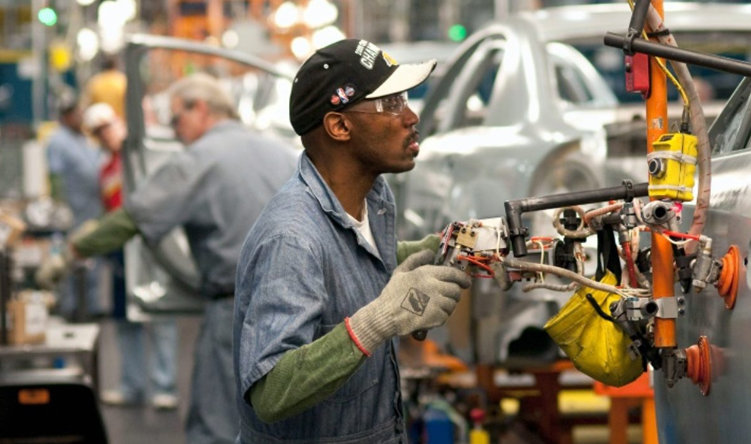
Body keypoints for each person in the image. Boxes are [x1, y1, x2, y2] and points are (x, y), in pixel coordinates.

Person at [233, 39, 471, 443]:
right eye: (391, 103)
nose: (411, 116)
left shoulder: (372, 199)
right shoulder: (291, 239)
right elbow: (270, 392)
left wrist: (445, 248)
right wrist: (377, 320)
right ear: (340, 126)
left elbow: (351, 267)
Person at [44, 74, 298, 443]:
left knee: (215, 426)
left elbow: (134, 218)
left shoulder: (199, 159)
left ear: (201, 109)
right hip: (298, 308)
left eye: (177, 120)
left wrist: (69, 254)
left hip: (237, 311)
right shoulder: (280, 153)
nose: (175, 133)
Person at [82, 103, 180, 410]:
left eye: (108, 126)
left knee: (160, 315)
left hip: (150, 247)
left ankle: (165, 385)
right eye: (99, 132)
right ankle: (132, 384)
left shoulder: (144, 159)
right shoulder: (106, 167)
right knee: (125, 320)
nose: (106, 135)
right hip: (121, 252)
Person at [46, 92, 104, 320]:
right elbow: (55, 176)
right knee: (70, 258)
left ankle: (91, 305)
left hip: (91, 207)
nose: (80, 117)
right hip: (73, 209)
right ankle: (70, 307)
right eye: (76, 113)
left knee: (90, 257)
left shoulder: (81, 137)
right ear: (66, 115)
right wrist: (59, 208)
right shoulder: (58, 141)